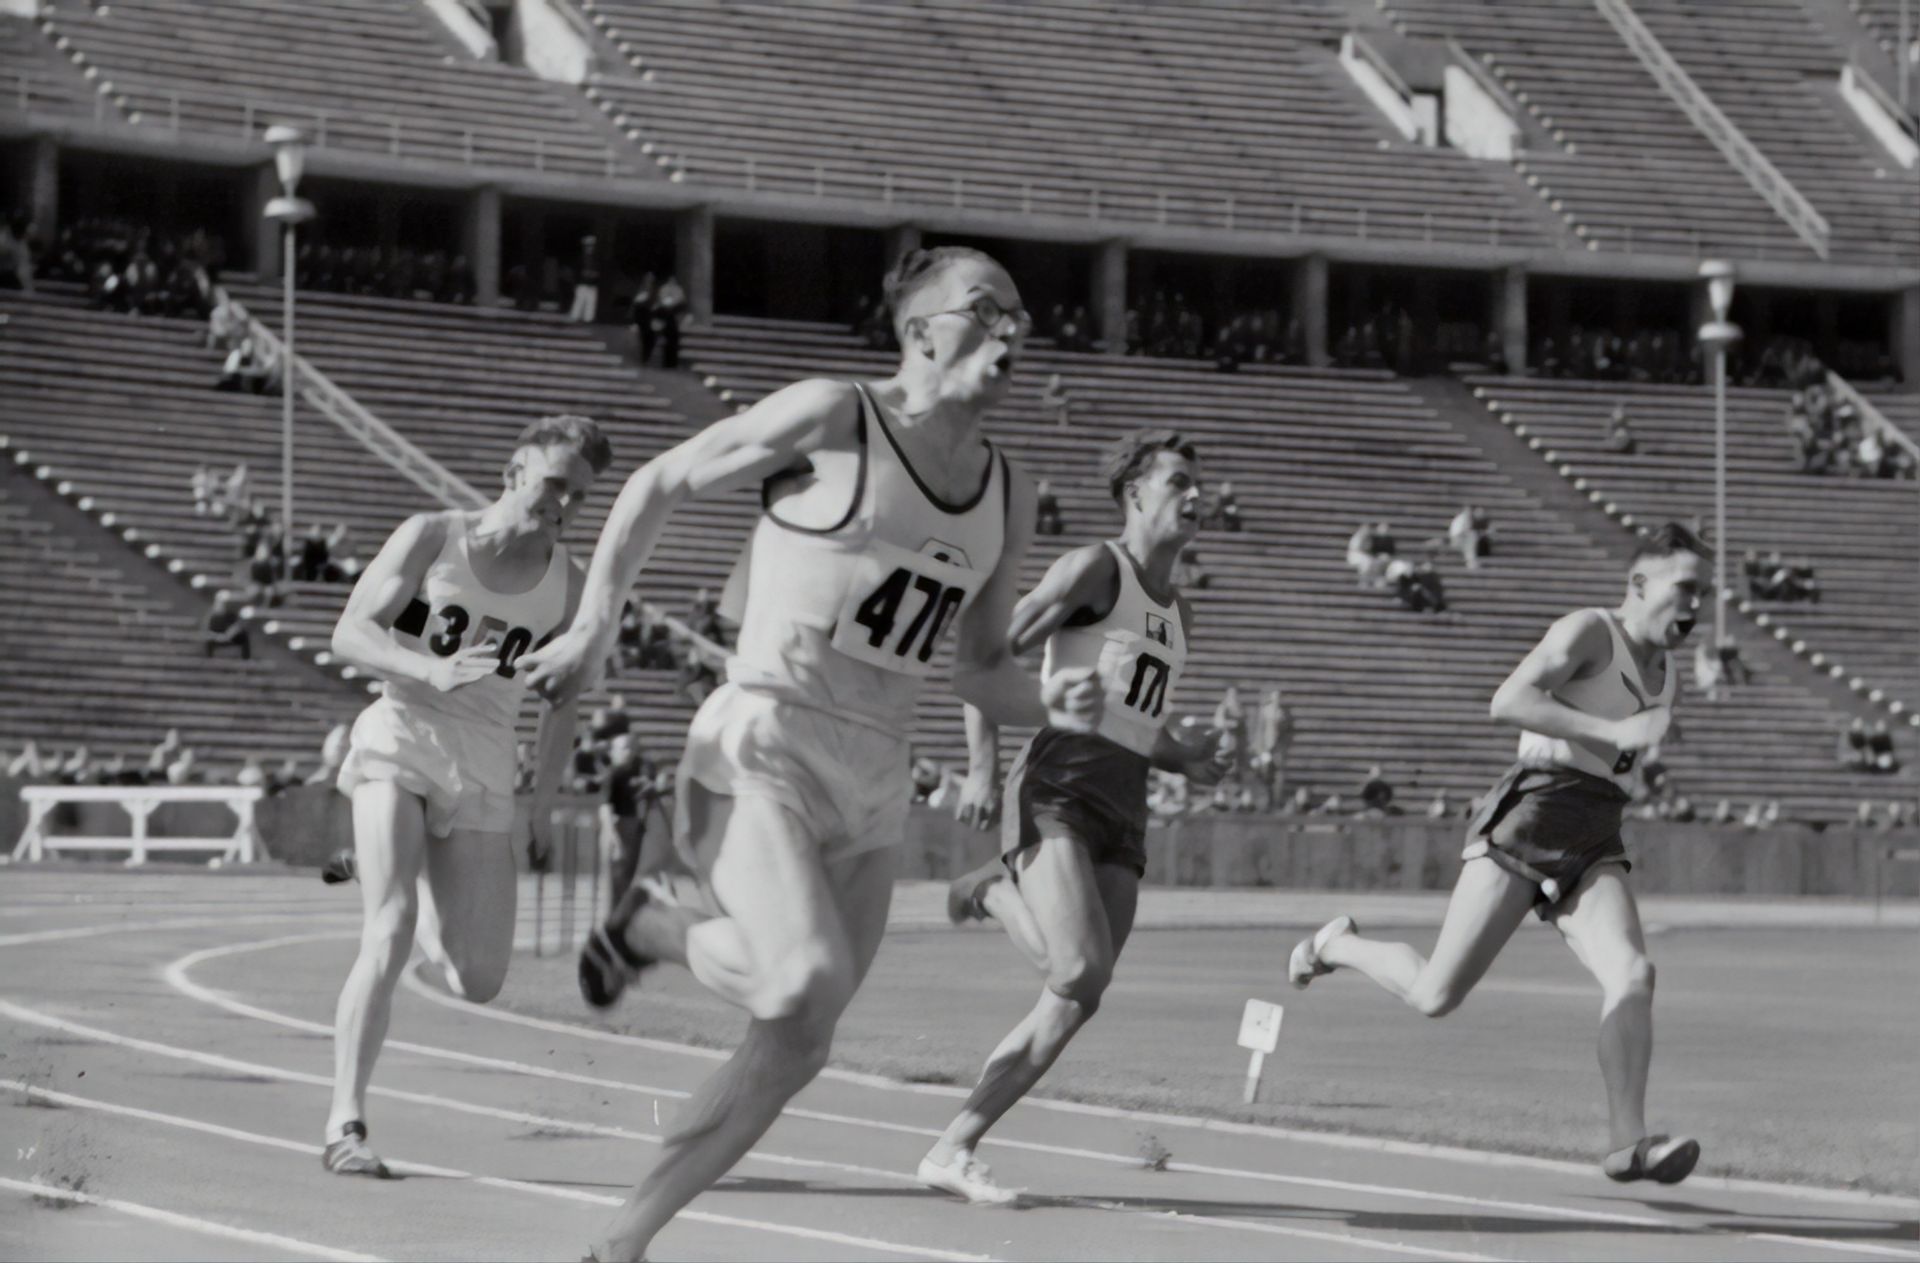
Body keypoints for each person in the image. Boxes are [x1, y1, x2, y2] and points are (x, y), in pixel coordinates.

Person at [519, 246, 1101, 1262]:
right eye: (985, 306)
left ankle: (619, 1245)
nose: (1012, 325)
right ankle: (653, 929)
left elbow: (977, 670)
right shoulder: (838, 415)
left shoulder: (1008, 488)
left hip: (874, 782)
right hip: (762, 744)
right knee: (804, 979)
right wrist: (593, 627)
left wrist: (1054, 697)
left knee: (800, 1039)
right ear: (923, 331)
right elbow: (661, 480)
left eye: (1020, 311)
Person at [1287, 522, 1709, 1186]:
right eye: (1685, 588)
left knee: (1633, 973)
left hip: (1597, 827)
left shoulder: (1669, 669)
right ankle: (1336, 944)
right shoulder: (1590, 630)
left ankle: (1628, 1141)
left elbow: (1618, 752)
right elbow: (1508, 699)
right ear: (1639, 583)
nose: (1696, 605)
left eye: (1704, 593)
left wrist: (1631, 757)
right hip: (1533, 812)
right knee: (1435, 995)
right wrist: (1611, 729)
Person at [926, 430, 1229, 1205]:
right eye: (1180, 482)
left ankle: (953, 1146)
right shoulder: (1097, 568)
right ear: (1135, 492)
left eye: (1200, 484)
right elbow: (984, 653)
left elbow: (1135, 721)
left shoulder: (1181, 609)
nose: (1198, 496)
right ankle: (995, 888)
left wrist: (1183, 755)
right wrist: (986, 768)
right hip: (1056, 783)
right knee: (1079, 967)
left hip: (1125, 804)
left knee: (1078, 996)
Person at [317, 414, 611, 1178]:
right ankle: (345, 1122)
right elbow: (350, 632)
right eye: (553, 484)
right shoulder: (433, 535)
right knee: (388, 926)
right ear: (515, 469)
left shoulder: (570, 588)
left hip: (484, 764)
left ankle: (398, 858)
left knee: (478, 979)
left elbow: (564, 705)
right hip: (403, 730)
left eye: (581, 496)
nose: (564, 506)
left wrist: (542, 806)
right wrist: (428, 670)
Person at [202, 591, 251, 659]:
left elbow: (238, 626)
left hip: (228, 637)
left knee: (244, 635)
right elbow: (206, 632)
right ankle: (208, 658)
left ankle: (246, 660)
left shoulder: (231, 615)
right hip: (215, 639)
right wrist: (217, 637)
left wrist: (231, 633)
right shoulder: (211, 616)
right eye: (221, 603)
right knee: (207, 642)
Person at [654, 274, 687, 368]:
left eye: (673, 281)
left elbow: (681, 300)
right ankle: (667, 363)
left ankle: (672, 363)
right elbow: (661, 299)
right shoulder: (664, 289)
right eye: (670, 280)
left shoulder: (678, 290)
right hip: (667, 320)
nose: (672, 282)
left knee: (673, 343)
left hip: (673, 321)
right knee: (667, 344)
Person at [569, 234, 599, 324]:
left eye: (592, 246)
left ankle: (588, 319)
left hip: (592, 283)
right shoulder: (580, 258)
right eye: (588, 246)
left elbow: (598, 269)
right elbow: (576, 270)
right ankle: (576, 317)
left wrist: (595, 274)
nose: (590, 248)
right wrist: (578, 278)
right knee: (580, 299)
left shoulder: (596, 258)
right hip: (581, 282)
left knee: (591, 301)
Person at [629, 273, 657, 365]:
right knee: (644, 340)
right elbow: (636, 307)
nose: (649, 282)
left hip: (649, 320)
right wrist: (635, 322)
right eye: (648, 280)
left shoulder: (653, 292)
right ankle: (644, 358)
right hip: (643, 320)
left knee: (649, 340)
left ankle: (645, 357)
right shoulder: (642, 292)